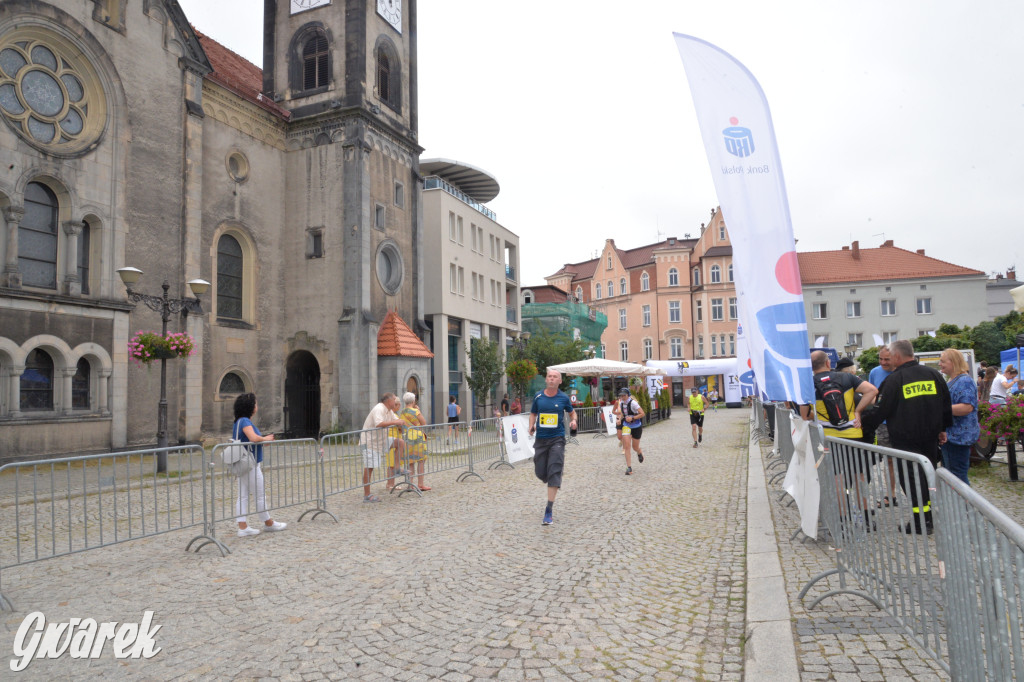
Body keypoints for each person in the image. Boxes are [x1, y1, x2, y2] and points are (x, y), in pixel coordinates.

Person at [862, 340, 952, 535]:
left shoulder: (895, 380)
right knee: (927, 476)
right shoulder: (933, 374)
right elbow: (945, 404)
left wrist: (862, 424)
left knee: (911, 480)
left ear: (896, 356)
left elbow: (880, 411)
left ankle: (921, 521)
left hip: (905, 439)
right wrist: (943, 429)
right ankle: (926, 518)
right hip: (930, 438)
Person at [811, 350, 879, 530]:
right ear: (828, 363)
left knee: (838, 480)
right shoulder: (846, 378)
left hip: (830, 439)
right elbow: (872, 391)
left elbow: (804, 414)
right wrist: (857, 411)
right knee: (859, 477)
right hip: (853, 435)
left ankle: (841, 521)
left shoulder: (809, 384)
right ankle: (866, 518)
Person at [232, 393, 287, 537]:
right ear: (250, 407)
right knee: (259, 494)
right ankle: (268, 522)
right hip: (250, 464)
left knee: (242, 495)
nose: (257, 406)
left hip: (242, 463)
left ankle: (243, 526)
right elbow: (253, 438)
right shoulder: (244, 421)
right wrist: (265, 438)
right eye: (255, 404)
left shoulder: (238, 422)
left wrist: (262, 440)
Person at [528, 368, 576, 525]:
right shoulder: (538, 396)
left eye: (555, 377)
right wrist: (531, 425)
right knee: (541, 471)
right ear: (546, 379)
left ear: (560, 381)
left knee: (554, 470)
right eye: (549, 376)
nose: (551, 379)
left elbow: (572, 412)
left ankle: (548, 510)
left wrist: (573, 420)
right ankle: (549, 478)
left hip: (557, 439)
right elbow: (533, 413)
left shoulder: (563, 398)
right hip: (541, 440)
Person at [938, 349, 979, 486]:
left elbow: (966, 407)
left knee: (957, 477)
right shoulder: (954, 380)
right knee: (953, 475)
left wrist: (938, 409)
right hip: (952, 436)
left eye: (943, 361)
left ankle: (966, 506)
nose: (940, 364)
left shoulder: (964, 381)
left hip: (958, 437)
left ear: (953, 362)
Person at [359, 393, 406, 502]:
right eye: (394, 400)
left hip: (381, 440)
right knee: (369, 467)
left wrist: (401, 423)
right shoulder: (379, 408)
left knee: (400, 442)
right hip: (370, 442)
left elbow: (397, 421)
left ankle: (396, 468)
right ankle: (367, 495)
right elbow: (378, 423)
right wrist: (396, 422)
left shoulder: (389, 411)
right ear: (388, 401)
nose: (396, 401)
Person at [867, 345, 898, 507]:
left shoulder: (900, 371)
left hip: (902, 422)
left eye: (887, 359)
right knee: (890, 460)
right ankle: (891, 494)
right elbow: (872, 394)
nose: (883, 362)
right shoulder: (875, 372)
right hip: (883, 424)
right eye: (881, 359)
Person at [399, 392, 431, 491]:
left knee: (410, 462)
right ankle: (420, 484)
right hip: (417, 437)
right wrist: (418, 410)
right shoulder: (416, 411)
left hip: (407, 437)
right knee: (421, 461)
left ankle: (410, 484)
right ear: (413, 401)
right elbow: (424, 423)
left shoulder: (402, 412)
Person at [616, 387, 646, 475]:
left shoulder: (633, 403)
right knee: (627, 447)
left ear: (628, 395)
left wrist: (633, 418)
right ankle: (629, 467)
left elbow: (642, 413)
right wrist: (619, 419)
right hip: (626, 426)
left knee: (635, 447)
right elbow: (622, 414)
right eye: (621, 395)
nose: (622, 397)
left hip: (636, 426)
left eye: (624, 395)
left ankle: (639, 452)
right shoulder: (621, 403)